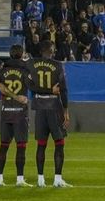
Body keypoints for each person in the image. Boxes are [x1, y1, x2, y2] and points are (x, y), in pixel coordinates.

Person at [25, 40, 72, 187]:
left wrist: (43, 90)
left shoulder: (31, 64)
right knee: (59, 143)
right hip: (53, 106)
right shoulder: (58, 65)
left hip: (39, 107)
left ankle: (40, 179)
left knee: (41, 144)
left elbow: (30, 86)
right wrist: (65, 109)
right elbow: (63, 89)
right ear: (51, 51)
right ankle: (57, 179)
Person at [0, 45, 31, 186]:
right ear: (22, 54)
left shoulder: (3, 70)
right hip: (20, 113)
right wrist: (17, 97)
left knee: (3, 146)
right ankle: (20, 179)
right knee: (21, 147)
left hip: (6, 111)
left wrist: (10, 95)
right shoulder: (26, 70)